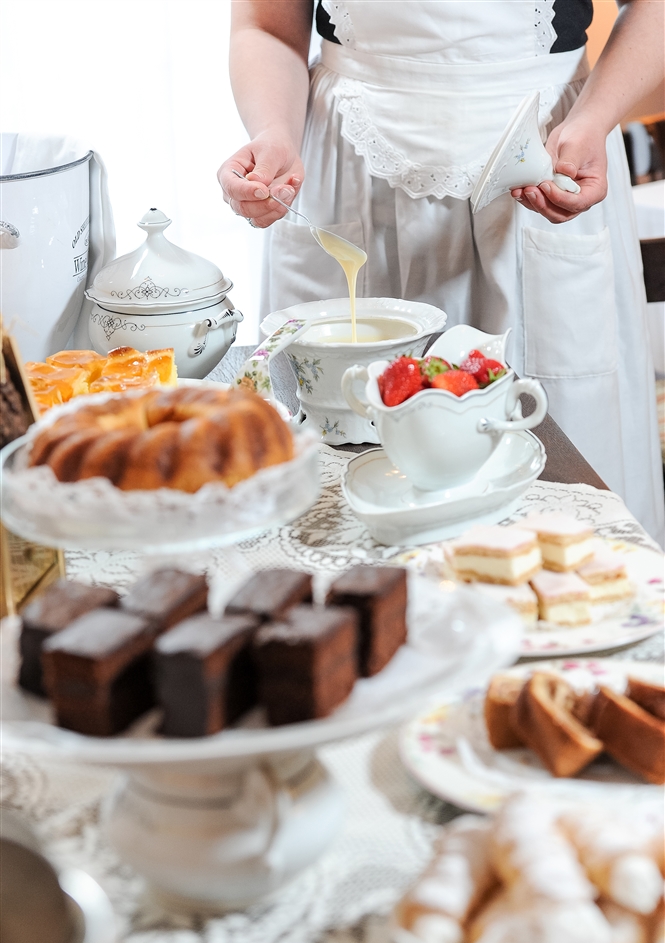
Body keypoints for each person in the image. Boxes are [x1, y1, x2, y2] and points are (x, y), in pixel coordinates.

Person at [219, 0, 665, 543]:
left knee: (558, 508)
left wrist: (595, 117)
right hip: (346, 170)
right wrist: (274, 132)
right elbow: (266, 26)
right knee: (336, 487)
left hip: (548, 148)